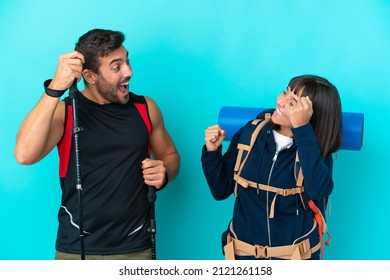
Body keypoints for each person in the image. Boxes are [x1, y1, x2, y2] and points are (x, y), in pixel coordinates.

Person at [14, 29, 180, 260]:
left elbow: (170, 155)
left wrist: (164, 173)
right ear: (90, 76)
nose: (129, 71)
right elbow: (24, 154)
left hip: (136, 249)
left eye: (127, 61)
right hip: (76, 250)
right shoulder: (66, 111)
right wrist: (55, 88)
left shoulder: (146, 108)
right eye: (116, 66)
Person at [201, 75, 342, 260]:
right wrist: (212, 152)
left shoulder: (314, 152)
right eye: (285, 92)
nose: (281, 101)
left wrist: (302, 129)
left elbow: (319, 189)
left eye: (293, 103)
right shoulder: (250, 134)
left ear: (310, 115)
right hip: (243, 256)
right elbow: (220, 191)